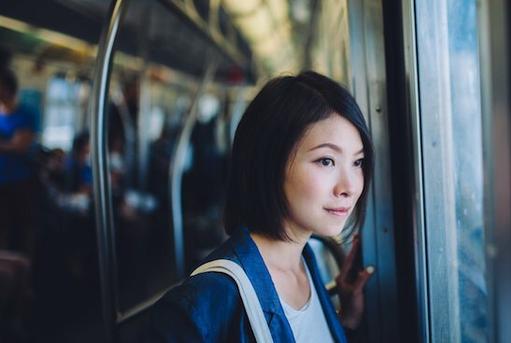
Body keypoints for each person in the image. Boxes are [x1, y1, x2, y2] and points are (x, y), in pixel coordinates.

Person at [148, 71, 375, 342]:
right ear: (270, 164)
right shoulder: (202, 306)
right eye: (326, 161)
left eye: (357, 162)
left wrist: (344, 320)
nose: (349, 187)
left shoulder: (304, 262)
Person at [0, 68, 39, 257]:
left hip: (19, 182)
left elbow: (20, 146)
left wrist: (9, 145)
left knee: (18, 232)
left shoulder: (26, 114)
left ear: (7, 88)